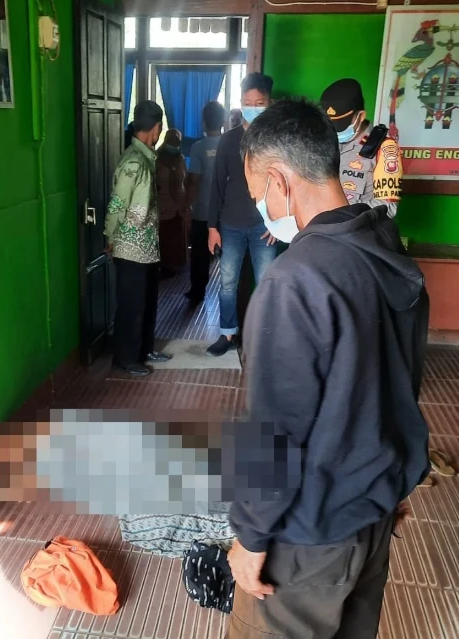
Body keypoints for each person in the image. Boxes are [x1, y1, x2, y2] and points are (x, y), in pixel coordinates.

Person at [226, 98, 430, 638]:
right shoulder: (384, 246)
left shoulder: (294, 281)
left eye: (258, 194)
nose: (261, 207)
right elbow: (404, 380)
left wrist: (249, 537)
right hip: (375, 513)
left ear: (279, 180)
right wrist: (394, 481)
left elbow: (275, 428)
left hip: (310, 536)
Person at [206, 72, 277, 357]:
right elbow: (216, 186)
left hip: (265, 227)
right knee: (227, 284)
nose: (253, 108)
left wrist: (279, 224)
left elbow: (287, 185)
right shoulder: (229, 140)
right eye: (248, 103)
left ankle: (263, 339)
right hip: (231, 225)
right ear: (240, 102)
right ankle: (227, 333)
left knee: (267, 284)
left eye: (259, 103)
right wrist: (212, 228)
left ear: (270, 103)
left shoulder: (277, 141)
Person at [105, 101, 172, 377]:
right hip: (130, 247)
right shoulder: (134, 161)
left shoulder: (145, 158)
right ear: (156, 128)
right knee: (131, 305)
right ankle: (125, 358)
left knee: (147, 301)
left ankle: (144, 350)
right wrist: (110, 236)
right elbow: (117, 204)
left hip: (146, 247)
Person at [321, 78, 403, 217]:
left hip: (358, 228)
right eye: (331, 124)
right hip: (322, 226)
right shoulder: (323, 140)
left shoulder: (384, 147)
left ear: (360, 116)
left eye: (341, 125)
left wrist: (342, 216)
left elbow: (388, 207)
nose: (335, 131)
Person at [185, 101, 226, 304]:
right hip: (226, 212)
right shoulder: (230, 145)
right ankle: (229, 296)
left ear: (203, 122)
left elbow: (193, 180)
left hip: (202, 212)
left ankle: (197, 292)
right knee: (230, 256)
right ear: (223, 121)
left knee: (199, 255)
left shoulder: (198, 148)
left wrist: (187, 206)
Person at [156, 128, 188, 277]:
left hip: (179, 207)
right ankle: (166, 267)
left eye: (177, 142)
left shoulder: (180, 159)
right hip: (164, 206)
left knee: (178, 238)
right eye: (171, 141)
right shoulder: (157, 159)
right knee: (165, 239)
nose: (174, 145)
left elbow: (185, 180)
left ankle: (177, 266)